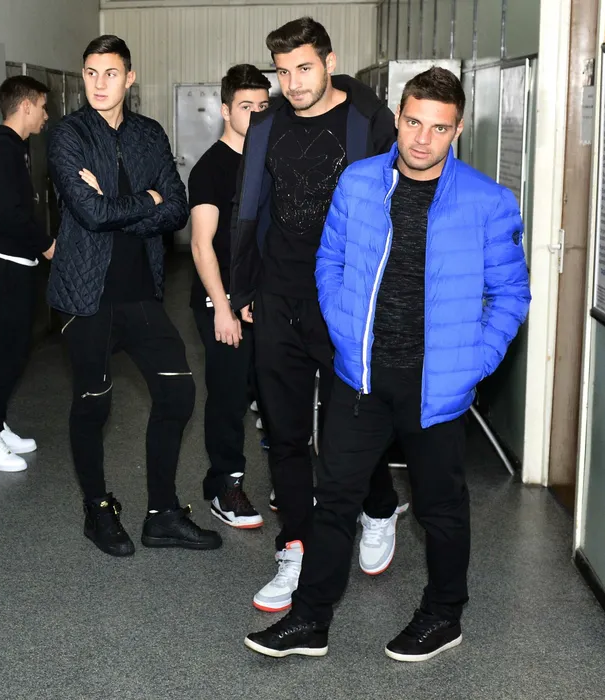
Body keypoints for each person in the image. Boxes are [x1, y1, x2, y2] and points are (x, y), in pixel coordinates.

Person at [245, 67, 531, 662]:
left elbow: (510, 295)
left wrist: (474, 362)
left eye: (439, 128)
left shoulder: (488, 202)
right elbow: (329, 259)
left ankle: (443, 616)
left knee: (440, 508)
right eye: (413, 122)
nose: (422, 139)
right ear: (398, 118)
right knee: (334, 500)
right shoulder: (358, 182)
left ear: (457, 131)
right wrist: (342, 327)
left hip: (436, 383)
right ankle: (310, 620)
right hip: (361, 376)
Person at [230, 17, 405, 614]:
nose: (294, 83)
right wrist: (243, 287)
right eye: (283, 71)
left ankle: (378, 507)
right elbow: (248, 206)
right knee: (283, 432)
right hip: (278, 295)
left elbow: (396, 206)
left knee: (347, 427)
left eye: (304, 68)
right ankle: (296, 546)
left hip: (344, 298)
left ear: (329, 61)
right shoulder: (266, 125)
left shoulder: (369, 121)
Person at [48, 35, 221, 557]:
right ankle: (97, 509)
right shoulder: (68, 134)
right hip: (85, 296)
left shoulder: (149, 133)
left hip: (142, 292)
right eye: (91, 73)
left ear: (130, 77)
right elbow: (90, 213)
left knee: (177, 394)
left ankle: (162, 514)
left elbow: (177, 208)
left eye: (111, 73)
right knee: (93, 405)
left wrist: (123, 203)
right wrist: (147, 198)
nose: (99, 84)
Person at [189, 65, 270, 529]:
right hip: (219, 300)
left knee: (272, 389)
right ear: (225, 110)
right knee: (228, 394)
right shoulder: (211, 168)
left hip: (259, 297)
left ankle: (286, 479)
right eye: (246, 106)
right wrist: (223, 307)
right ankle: (224, 484)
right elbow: (202, 245)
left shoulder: (266, 161)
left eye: (263, 106)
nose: (256, 115)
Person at [0, 75, 55, 472]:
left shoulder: (11, 148)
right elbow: (9, 214)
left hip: (15, 267)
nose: (45, 115)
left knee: (14, 352)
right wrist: (46, 243)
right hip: (3, 268)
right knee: (3, 355)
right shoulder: (1, 150)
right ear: (25, 106)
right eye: (42, 107)